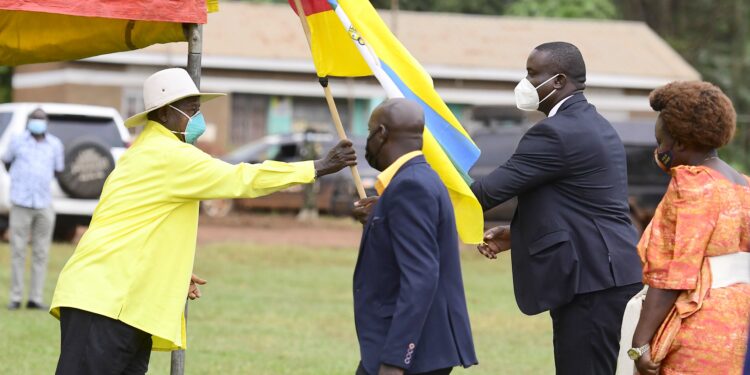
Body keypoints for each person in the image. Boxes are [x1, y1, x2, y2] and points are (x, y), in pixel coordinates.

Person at [49, 68, 357, 375]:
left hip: (116, 301)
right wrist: (316, 167)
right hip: (106, 301)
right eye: (191, 110)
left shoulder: (143, 153)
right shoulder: (170, 156)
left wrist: (170, 269)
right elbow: (242, 178)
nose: (199, 119)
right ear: (165, 114)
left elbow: (135, 224)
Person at [472, 42, 643, 374]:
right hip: (608, 274)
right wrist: (516, 234)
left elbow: (485, 193)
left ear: (559, 81)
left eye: (532, 74)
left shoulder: (555, 133)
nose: (525, 82)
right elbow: (579, 206)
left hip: (592, 281)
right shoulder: (592, 122)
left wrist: (417, 187)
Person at [629, 81, 749, 375]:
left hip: (697, 329)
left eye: (661, 142)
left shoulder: (691, 184)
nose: (660, 151)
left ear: (680, 143)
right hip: (742, 327)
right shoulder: (744, 186)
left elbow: (673, 273)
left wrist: (640, 343)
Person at [352, 98, 477, 375]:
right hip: (415, 349)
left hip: (412, 353)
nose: (367, 141)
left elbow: (421, 276)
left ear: (382, 134)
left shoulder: (410, 186)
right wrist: (378, 217)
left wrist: (396, 360)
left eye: (369, 131)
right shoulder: (419, 178)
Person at [3, 108, 64, 311]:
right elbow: (7, 161)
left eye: (41, 120)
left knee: (41, 251)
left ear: (46, 122)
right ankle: (16, 297)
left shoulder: (55, 144)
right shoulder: (18, 140)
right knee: (18, 250)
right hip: (21, 202)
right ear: (29, 122)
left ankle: (35, 298)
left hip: (44, 203)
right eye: (34, 119)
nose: (38, 122)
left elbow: (58, 170)